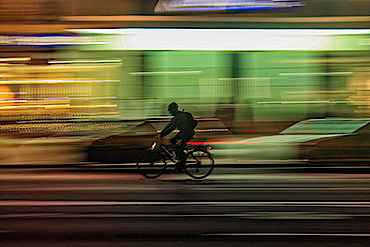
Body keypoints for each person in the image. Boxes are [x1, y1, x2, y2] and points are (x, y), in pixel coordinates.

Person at [160, 102, 197, 166]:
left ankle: (182, 160)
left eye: (170, 110)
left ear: (174, 109)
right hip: (183, 132)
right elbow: (169, 125)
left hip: (187, 133)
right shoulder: (176, 117)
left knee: (180, 149)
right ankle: (179, 156)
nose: (170, 112)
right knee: (172, 140)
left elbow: (172, 128)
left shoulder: (179, 117)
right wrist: (162, 132)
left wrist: (163, 134)